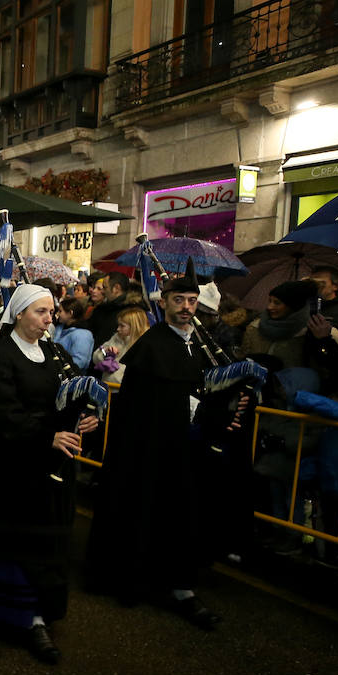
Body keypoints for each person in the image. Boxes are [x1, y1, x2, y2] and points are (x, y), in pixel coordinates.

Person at [87, 265, 233, 629]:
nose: (186, 307)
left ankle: (182, 587)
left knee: (183, 515)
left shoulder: (202, 343)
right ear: (164, 302)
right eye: (179, 300)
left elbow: (210, 387)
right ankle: (132, 579)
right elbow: (139, 405)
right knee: (144, 509)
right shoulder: (151, 346)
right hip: (151, 449)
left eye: (192, 301)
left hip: (188, 450)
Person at [0, 284, 98, 663]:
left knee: (50, 541)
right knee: (20, 544)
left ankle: (43, 609)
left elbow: (71, 391)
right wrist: (46, 435)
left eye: (50, 312)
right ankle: (23, 617)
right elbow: (4, 413)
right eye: (40, 312)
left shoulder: (54, 351)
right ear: (19, 314)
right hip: (14, 466)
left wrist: (86, 415)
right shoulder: (0, 356)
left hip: (52, 464)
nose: (48, 319)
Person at [239, 279, 316, 370]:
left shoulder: (309, 332)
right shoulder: (254, 328)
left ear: (293, 306)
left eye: (277, 303)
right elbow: (242, 360)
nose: (270, 307)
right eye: (270, 301)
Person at [92, 306, 149, 383]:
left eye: (122, 326)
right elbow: (95, 358)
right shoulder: (116, 338)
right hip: (108, 387)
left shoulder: (144, 344)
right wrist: (105, 353)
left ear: (134, 326)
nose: (118, 329)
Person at [52, 297, 95, 372]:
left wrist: (59, 366)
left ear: (70, 313)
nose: (57, 314)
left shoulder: (83, 335)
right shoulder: (60, 328)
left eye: (60, 311)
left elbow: (79, 362)